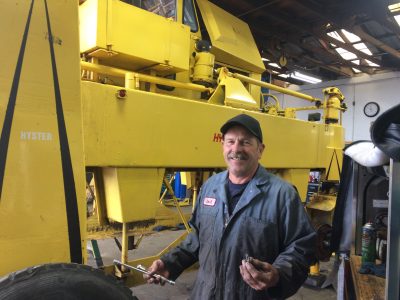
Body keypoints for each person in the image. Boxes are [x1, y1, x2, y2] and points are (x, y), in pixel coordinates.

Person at [145, 114, 317, 299]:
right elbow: (197, 237)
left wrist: (278, 274)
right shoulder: (210, 187)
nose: (236, 148)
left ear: (260, 150)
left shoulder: (282, 195)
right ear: (223, 147)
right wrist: (169, 263)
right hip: (205, 294)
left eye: (245, 142)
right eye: (230, 141)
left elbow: (302, 246)